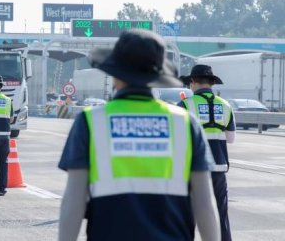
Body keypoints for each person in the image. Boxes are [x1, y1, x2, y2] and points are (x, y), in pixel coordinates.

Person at [58, 29, 220, 241]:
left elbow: (74, 200)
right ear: (157, 75)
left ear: (116, 75)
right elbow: (205, 205)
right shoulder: (185, 124)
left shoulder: (90, 122)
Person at [179, 64, 235, 241]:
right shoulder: (225, 105)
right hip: (219, 167)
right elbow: (230, 138)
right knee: (220, 216)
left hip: (192, 169)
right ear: (211, 83)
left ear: (193, 82)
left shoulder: (185, 104)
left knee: (186, 217)